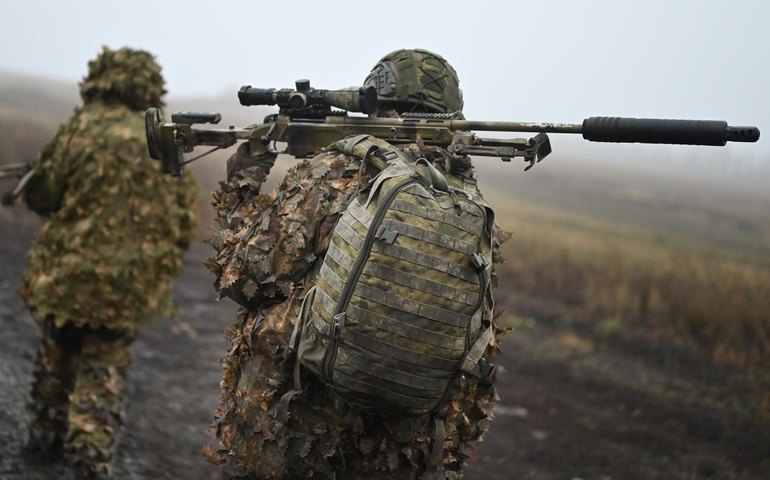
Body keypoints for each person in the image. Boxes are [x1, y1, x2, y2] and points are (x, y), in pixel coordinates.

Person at [204, 48, 506, 479]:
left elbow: (242, 277)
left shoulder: (335, 169)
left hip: (293, 431)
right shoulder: (469, 204)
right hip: (402, 452)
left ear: (374, 100)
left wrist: (242, 180)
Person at [20, 46, 198, 478]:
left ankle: (43, 441)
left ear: (101, 77)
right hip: (126, 284)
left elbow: (41, 194)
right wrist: (158, 262)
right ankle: (89, 454)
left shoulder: (82, 128)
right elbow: (183, 217)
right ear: (149, 84)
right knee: (102, 366)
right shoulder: (162, 138)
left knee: (56, 353)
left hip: (67, 275)